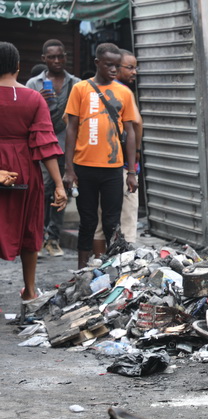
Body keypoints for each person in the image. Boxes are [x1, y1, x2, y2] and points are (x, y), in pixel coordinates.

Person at [0, 41, 67, 310]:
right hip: (25, 170)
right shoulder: (33, 98)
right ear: (18, 67)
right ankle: (29, 290)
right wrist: (59, 185)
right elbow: (46, 143)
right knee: (29, 227)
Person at [63, 43, 138, 268]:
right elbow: (71, 128)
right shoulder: (80, 89)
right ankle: (82, 270)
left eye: (117, 65)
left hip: (113, 168)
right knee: (87, 221)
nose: (114, 69)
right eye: (109, 65)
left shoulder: (124, 92)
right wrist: (68, 168)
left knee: (111, 223)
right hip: (84, 166)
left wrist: (132, 171)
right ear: (97, 63)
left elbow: (130, 131)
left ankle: (111, 269)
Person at [26, 39, 81, 257]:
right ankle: (37, 237)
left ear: (65, 57)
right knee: (42, 190)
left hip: (67, 147)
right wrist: (37, 101)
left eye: (60, 56)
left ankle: (53, 238)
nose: (57, 61)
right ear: (44, 59)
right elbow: (25, 116)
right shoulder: (33, 84)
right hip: (41, 147)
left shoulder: (76, 83)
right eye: (52, 57)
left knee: (64, 190)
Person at [93, 48, 143, 253]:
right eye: (129, 67)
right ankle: (124, 266)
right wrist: (136, 152)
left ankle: (96, 266)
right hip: (121, 166)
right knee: (127, 221)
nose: (134, 72)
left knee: (100, 220)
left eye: (135, 67)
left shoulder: (92, 89)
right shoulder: (123, 93)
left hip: (99, 165)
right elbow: (137, 124)